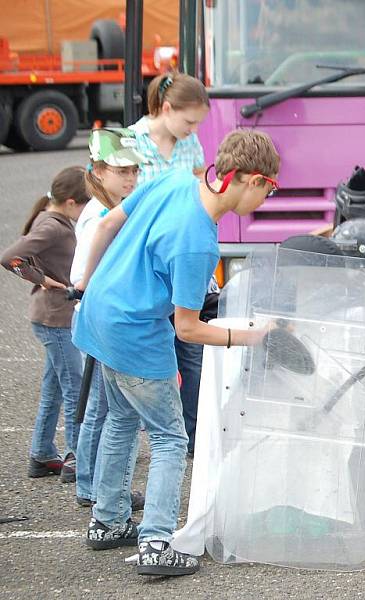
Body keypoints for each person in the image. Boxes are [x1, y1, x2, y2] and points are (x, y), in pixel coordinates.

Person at [73, 129, 280, 577]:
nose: (265, 200)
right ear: (245, 179)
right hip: (136, 335)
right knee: (170, 437)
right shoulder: (199, 244)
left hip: (98, 315)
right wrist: (249, 336)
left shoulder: (172, 181)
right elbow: (187, 329)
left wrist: (86, 284)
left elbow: (108, 224)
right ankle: (156, 542)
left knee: (122, 419)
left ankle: (107, 521)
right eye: (268, 188)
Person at [130, 72, 211, 457]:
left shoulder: (190, 144)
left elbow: (199, 194)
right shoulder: (130, 141)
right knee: (148, 352)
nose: (193, 130)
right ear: (166, 109)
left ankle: (190, 436)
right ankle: (151, 435)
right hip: (143, 261)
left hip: (179, 257)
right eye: (189, 121)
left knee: (190, 347)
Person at [71, 128, 147, 510]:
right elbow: (82, 276)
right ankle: (91, 485)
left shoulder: (117, 207)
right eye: (122, 171)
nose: (131, 178)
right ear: (98, 171)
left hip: (104, 320)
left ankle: (96, 484)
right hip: (100, 320)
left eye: (134, 170)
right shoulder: (98, 216)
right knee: (102, 410)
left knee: (105, 409)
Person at [1, 166, 91, 481]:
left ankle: (41, 454)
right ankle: (78, 459)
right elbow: (10, 257)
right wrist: (45, 281)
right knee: (74, 387)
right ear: (70, 202)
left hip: (53, 317)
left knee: (54, 385)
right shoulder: (52, 226)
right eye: (86, 204)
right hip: (55, 318)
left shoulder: (52, 218)